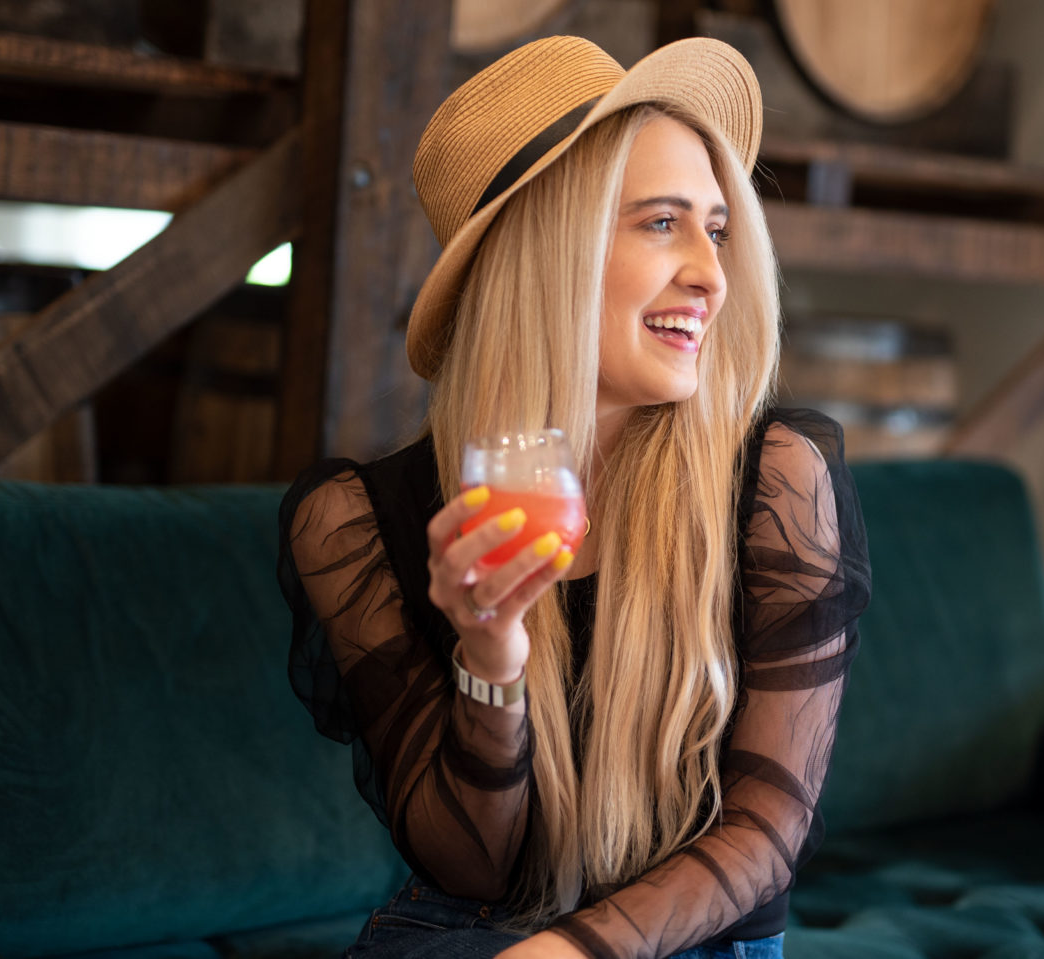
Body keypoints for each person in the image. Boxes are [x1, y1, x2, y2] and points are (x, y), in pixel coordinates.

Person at [278, 34, 871, 959]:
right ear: (546, 248)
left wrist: (571, 953)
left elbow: (765, 834)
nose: (713, 276)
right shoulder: (355, 524)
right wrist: (492, 656)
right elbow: (470, 869)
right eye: (662, 223)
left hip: (693, 940)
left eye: (716, 229)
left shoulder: (776, 480)